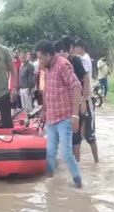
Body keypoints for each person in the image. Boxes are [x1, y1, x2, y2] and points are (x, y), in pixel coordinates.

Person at [35, 39, 82, 188]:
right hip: (51, 118)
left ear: (49, 55)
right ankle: (50, 180)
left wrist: (75, 116)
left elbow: (76, 86)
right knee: (50, 152)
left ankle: (78, 182)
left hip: (64, 118)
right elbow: (48, 90)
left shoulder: (63, 65)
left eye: (41, 57)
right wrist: (43, 111)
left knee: (67, 153)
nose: (39, 61)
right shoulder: (47, 68)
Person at [63, 37, 98, 163]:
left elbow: (86, 80)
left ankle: (96, 162)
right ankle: (76, 164)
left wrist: (84, 100)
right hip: (76, 102)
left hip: (86, 100)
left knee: (90, 135)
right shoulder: (71, 61)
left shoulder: (82, 60)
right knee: (76, 135)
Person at [10, 48, 22, 114]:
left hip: (18, 85)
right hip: (11, 84)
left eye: (17, 52)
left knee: (19, 102)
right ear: (12, 53)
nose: (16, 54)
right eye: (15, 52)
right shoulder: (10, 63)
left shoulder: (20, 62)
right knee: (12, 102)